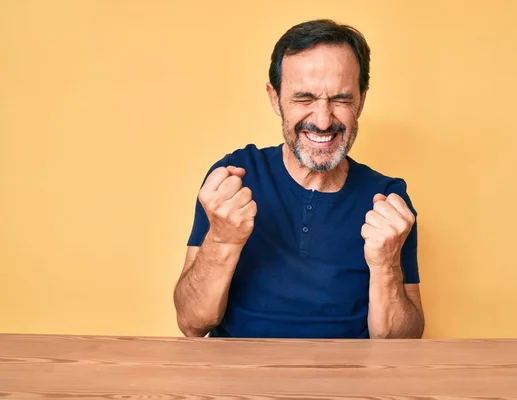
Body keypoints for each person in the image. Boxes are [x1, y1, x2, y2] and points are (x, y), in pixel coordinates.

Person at [173, 19, 424, 339]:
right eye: (304, 99)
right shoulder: (233, 179)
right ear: (275, 98)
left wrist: (386, 265)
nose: (322, 120)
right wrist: (222, 239)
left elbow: (405, 343)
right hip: (241, 383)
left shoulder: (388, 200)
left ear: (361, 99)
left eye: (341, 99)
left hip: (348, 385)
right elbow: (192, 323)